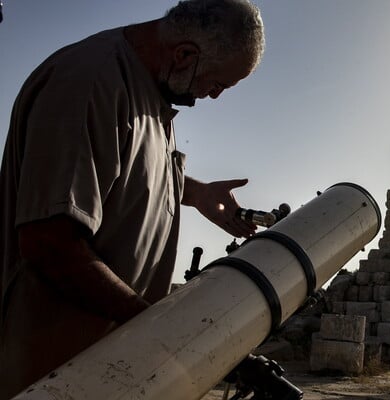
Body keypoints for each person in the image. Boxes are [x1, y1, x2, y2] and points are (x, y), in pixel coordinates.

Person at [0, 0, 264, 397]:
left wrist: (194, 192)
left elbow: (123, 168)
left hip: (105, 371)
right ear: (185, 54)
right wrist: (157, 329)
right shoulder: (90, 82)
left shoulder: (154, 92)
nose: (214, 97)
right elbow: (50, 243)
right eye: (218, 84)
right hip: (50, 371)